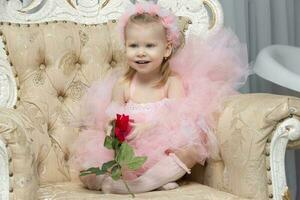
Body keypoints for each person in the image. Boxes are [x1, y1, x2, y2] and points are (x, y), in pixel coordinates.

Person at [70, 1, 249, 194]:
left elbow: (181, 118)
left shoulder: (172, 82)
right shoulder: (124, 84)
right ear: (125, 47)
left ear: (166, 49)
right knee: (89, 169)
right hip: (129, 150)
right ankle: (153, 182)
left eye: (149, 45)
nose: (140, 52)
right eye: (133, 45)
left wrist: (148, 127)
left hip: (161, 148)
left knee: (190, 150)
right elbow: (111, 117)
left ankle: (144, 183)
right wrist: (112, 132)